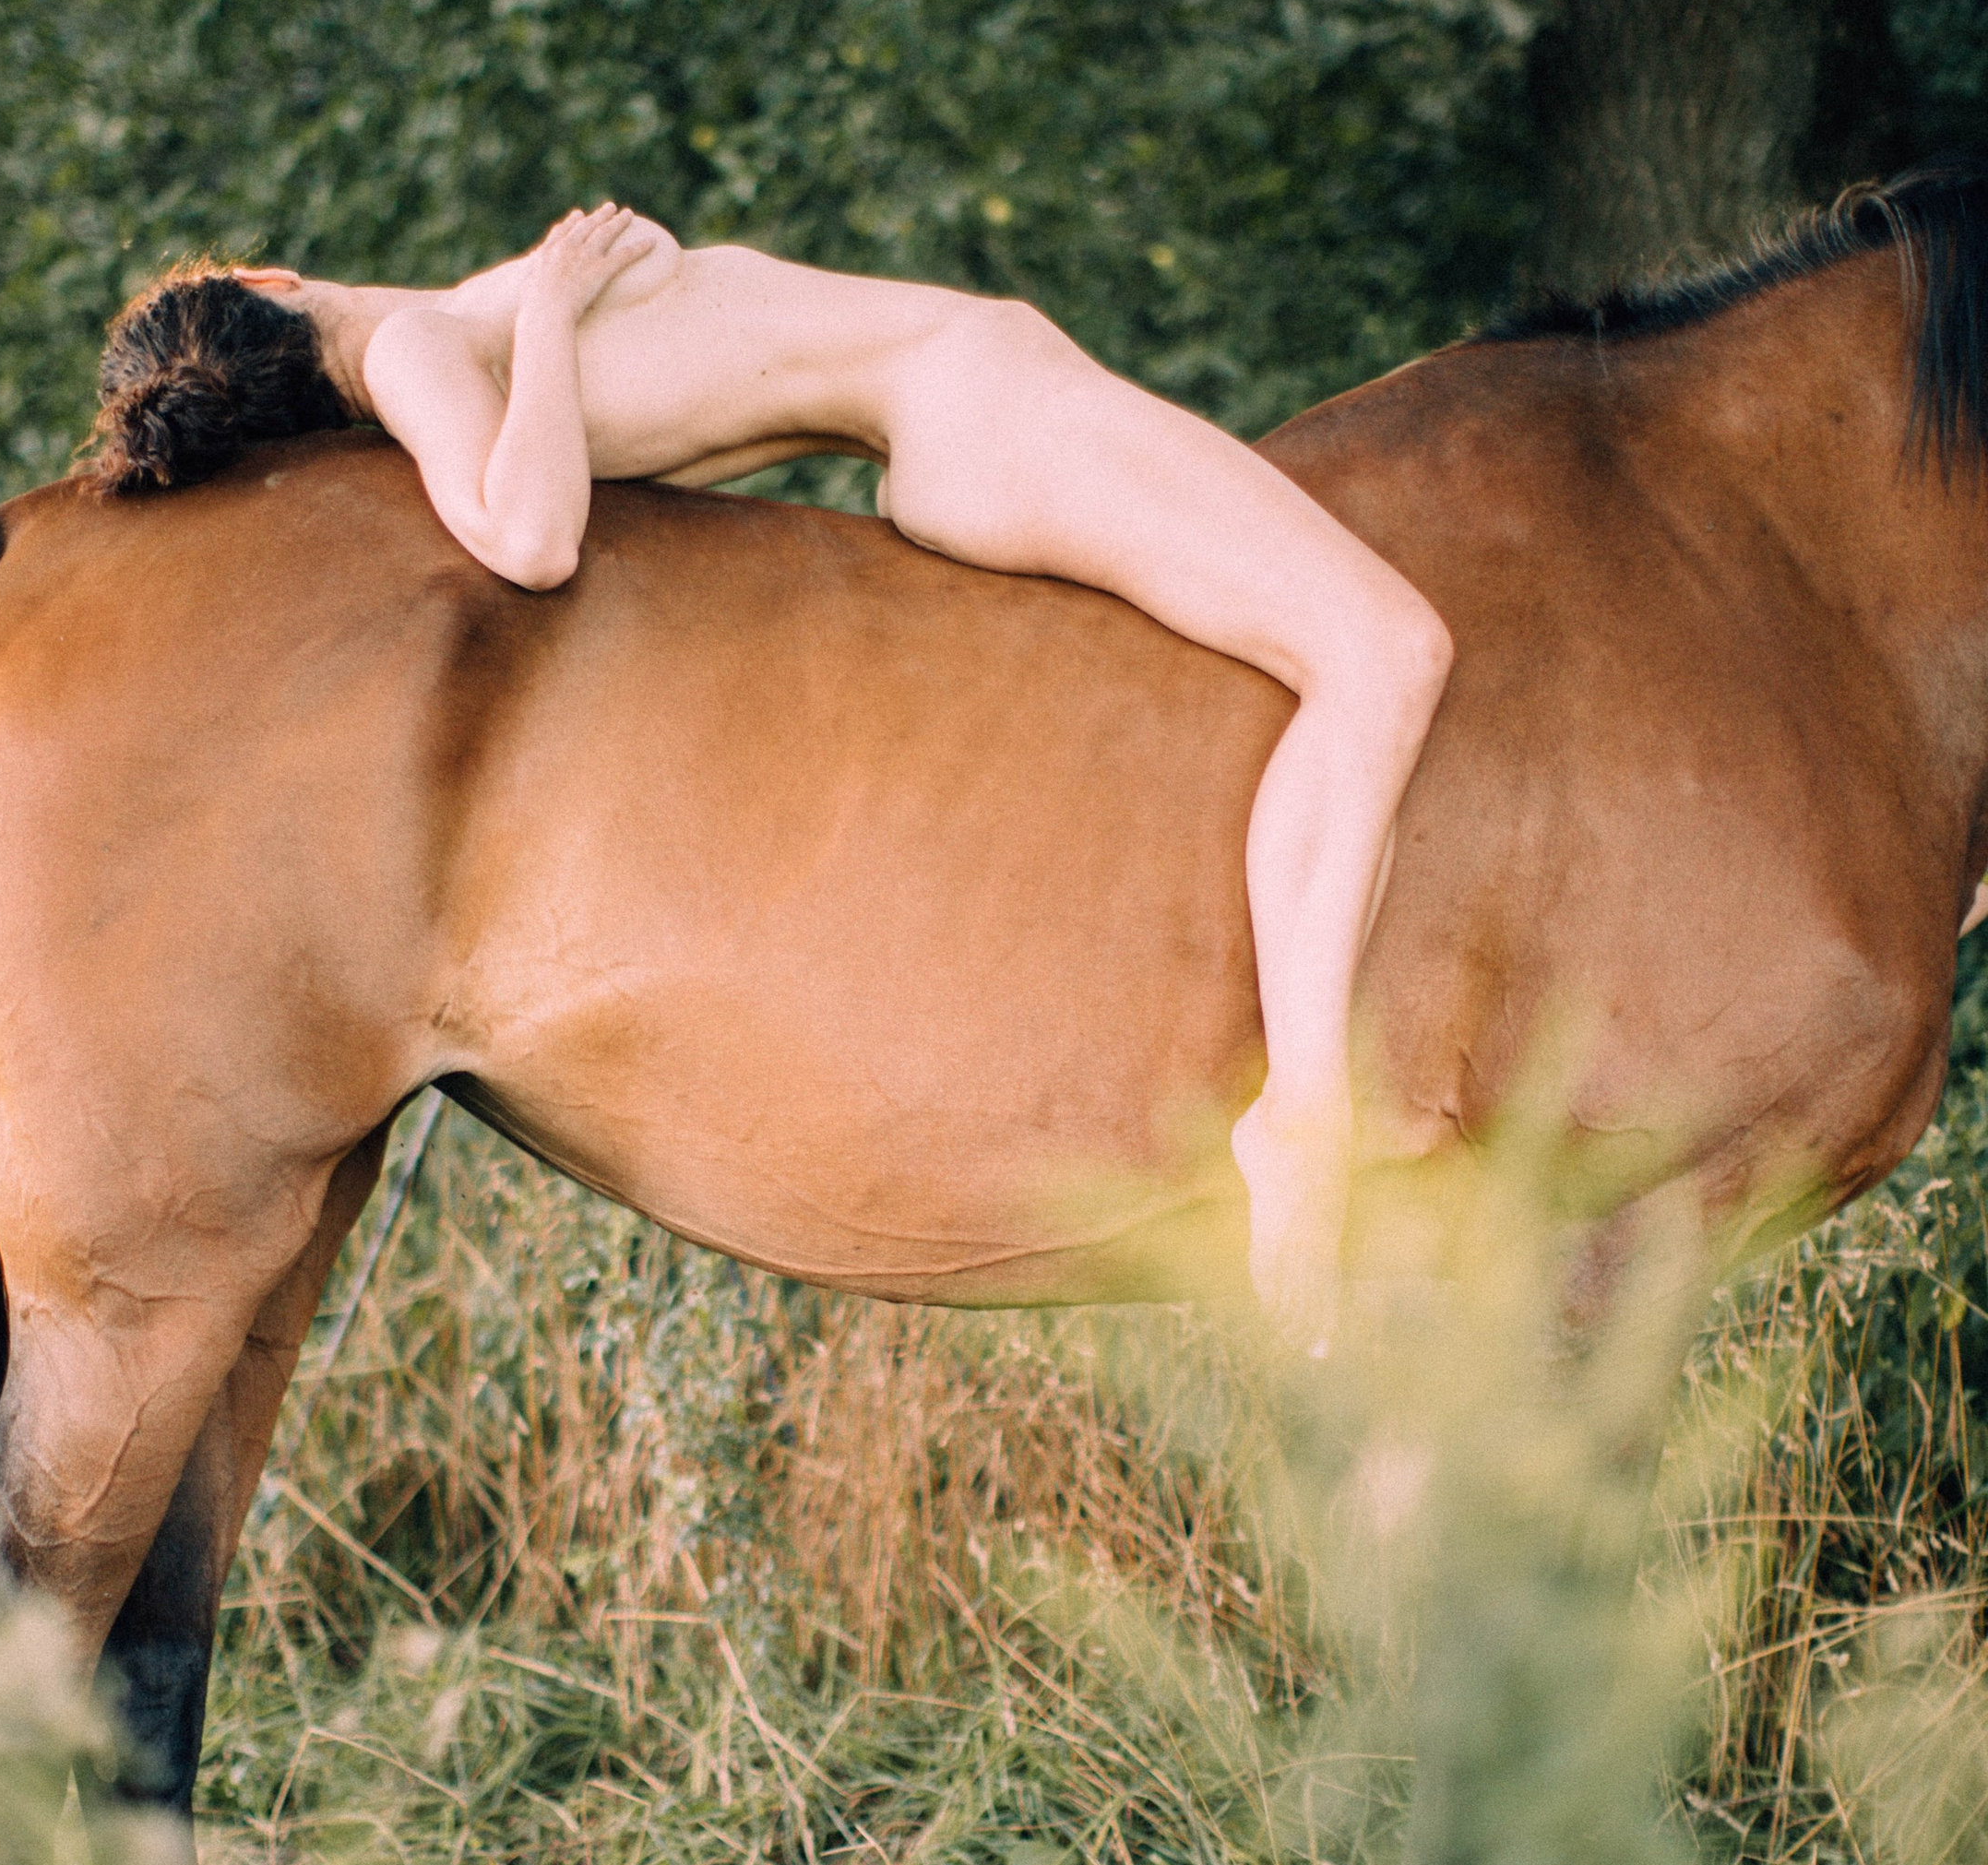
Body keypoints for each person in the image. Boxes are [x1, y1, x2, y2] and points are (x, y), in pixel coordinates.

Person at [196, 202, 1450, 1344]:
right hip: (972, 395)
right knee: (1384, 650)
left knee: (1353, 652)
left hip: (956, 408)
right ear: (269, 280)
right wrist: (550, 301)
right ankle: (1302, 1116)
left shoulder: (436, 343)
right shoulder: (406, 344)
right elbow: (529, 539)